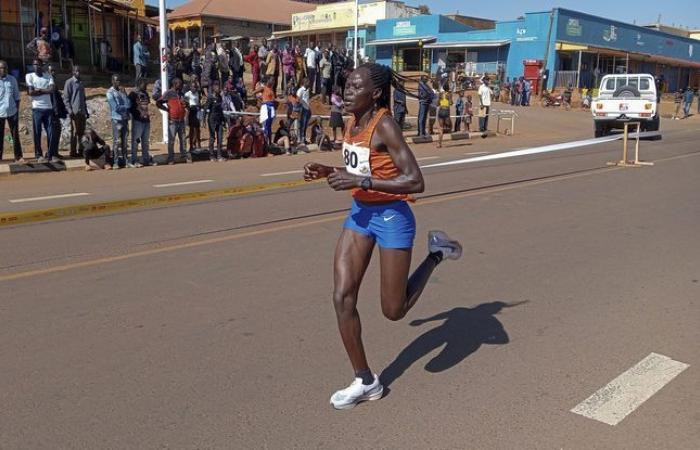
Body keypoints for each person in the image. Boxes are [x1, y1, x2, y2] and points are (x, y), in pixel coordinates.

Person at [302, 63, 462, 410]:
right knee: (342, 297)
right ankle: (365, 380)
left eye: (354, 87)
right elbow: (363, 169)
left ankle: (436, 253)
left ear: (374, 93)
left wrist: (360, 182)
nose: (346, 91)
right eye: (345, 85)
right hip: (360, 214)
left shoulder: (384, 125)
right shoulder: (351, 121)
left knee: (394, 310)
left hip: (392, 217)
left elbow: (416, 181)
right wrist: (330, 171)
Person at [26, 59, 56, 163]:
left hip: (48, 108)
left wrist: (38, 90)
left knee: (51, 132)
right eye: (34, 64)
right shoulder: (29, 76)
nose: (36, 66)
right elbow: (30, 92)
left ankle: (51, 154)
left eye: (38, 65)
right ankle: (39, 155)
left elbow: (52, 90)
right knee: (37, 132)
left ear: (41, 66)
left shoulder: (48, 76)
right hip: (37, 109)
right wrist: (44, 91)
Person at [157, 78, 191, 164]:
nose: (181, 85)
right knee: (171, 140)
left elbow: (187, 104)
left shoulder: (181, 93)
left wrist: (186, 104)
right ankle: (171, 158)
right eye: (179, 84)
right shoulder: (169, 93)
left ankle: (184, 155)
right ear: (174, 84)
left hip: (181, 120)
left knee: (183, 139)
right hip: (173, 120)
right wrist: (167, 109)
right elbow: (159, 102)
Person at [63, 65, 88, 158]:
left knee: (82, 132)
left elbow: (83, 98)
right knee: (74, 132)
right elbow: (66, 98)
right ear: (73, 72)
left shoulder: (81, 82)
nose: (78, 73)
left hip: (82, 111)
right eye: (76, 71)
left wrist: (86, 110)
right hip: (74, 112)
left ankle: (80, 150)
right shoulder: (69, 82)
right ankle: (73, 151)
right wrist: (69, 110)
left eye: (79, 71)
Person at [0, 60, 23, 162]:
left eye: (5, 68)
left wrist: (17, 111)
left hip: (12, 112)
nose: (3, 70)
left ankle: (18, 157)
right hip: (0, 113)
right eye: (1, 68)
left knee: (14, 135)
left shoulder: (12, 79)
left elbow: (17, 97)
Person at [106, 74, 130, 169]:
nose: (118, 82)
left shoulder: (121, 91)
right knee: (116, 141)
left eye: (119, 80)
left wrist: (124, 95)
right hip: (116, 120)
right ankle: (115, 162)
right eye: (116, 80)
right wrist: (126, 107)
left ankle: (125, 161)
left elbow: (129, 103)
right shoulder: (110, 92)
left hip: (124, 119)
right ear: (112, 81)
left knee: (124, 141)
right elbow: (115, 107)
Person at [128, 78, 152, 167]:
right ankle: (134, 160)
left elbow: (147, 105)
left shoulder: (145, 93)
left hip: (146, 120)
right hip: (137, 121)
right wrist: (136, 115)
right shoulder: (133, 94)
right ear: (139, 84)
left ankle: (146, 160)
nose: (146, 86)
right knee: (136, 141)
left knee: (145, 141)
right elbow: (129, 107)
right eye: (145, 84)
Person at [47, 65, 68, 160]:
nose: (53, 72)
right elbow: (53, 100)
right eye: (51, 71)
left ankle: (54, 152)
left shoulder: (54, 83)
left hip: (56, 113)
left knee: (57, 132)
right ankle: (52, 154)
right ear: (48, 72)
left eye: (54, 70)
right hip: (51, 113)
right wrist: (55, 112)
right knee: (53, 133)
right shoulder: (48, 83)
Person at [204, 83, 225, 161]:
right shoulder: (210, 98)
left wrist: (223, 120)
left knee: (220, 138)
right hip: (212, 120)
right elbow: (206, 109)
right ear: (213, 89)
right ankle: (211, 156)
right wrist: (203, 120)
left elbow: (221, 110)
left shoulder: (220, 97)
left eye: (219, 87)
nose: (219, 88)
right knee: (212, 138)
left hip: (219, 119)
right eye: (217, 87)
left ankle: (219, 156)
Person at [257, 77, 276, 146]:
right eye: (272, 80)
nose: (273, 82)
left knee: (269, 126)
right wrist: (261, 101)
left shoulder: (271, 89)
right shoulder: (264, 88)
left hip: (271, 107)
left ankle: (269, 143)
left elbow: (274, 99)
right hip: (266, 107)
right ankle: (264, 143)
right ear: (268, 80)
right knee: (265, 126)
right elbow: (254, 93)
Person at [185, 79, 203, 151]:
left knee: (198, 129)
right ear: (190, 87)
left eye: (195, 87)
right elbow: (186, 104)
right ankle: (191, 145)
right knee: (192, 130)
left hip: (197, 111)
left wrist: (199, 105)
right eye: (193, 87)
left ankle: (198, 143)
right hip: (191, 112)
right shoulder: (187, 94)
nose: (194, 88)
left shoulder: (197, 93)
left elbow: (198, 101)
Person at [296, 78, 311, 144]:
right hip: (303, 109)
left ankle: (303, 138)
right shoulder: (300, 90)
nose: (309, 83)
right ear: (304, 83)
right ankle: (300, 139)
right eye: (308, 82)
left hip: (307, 108)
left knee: (305, 125)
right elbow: (298, 100)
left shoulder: (307, 90)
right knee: (302, 125)